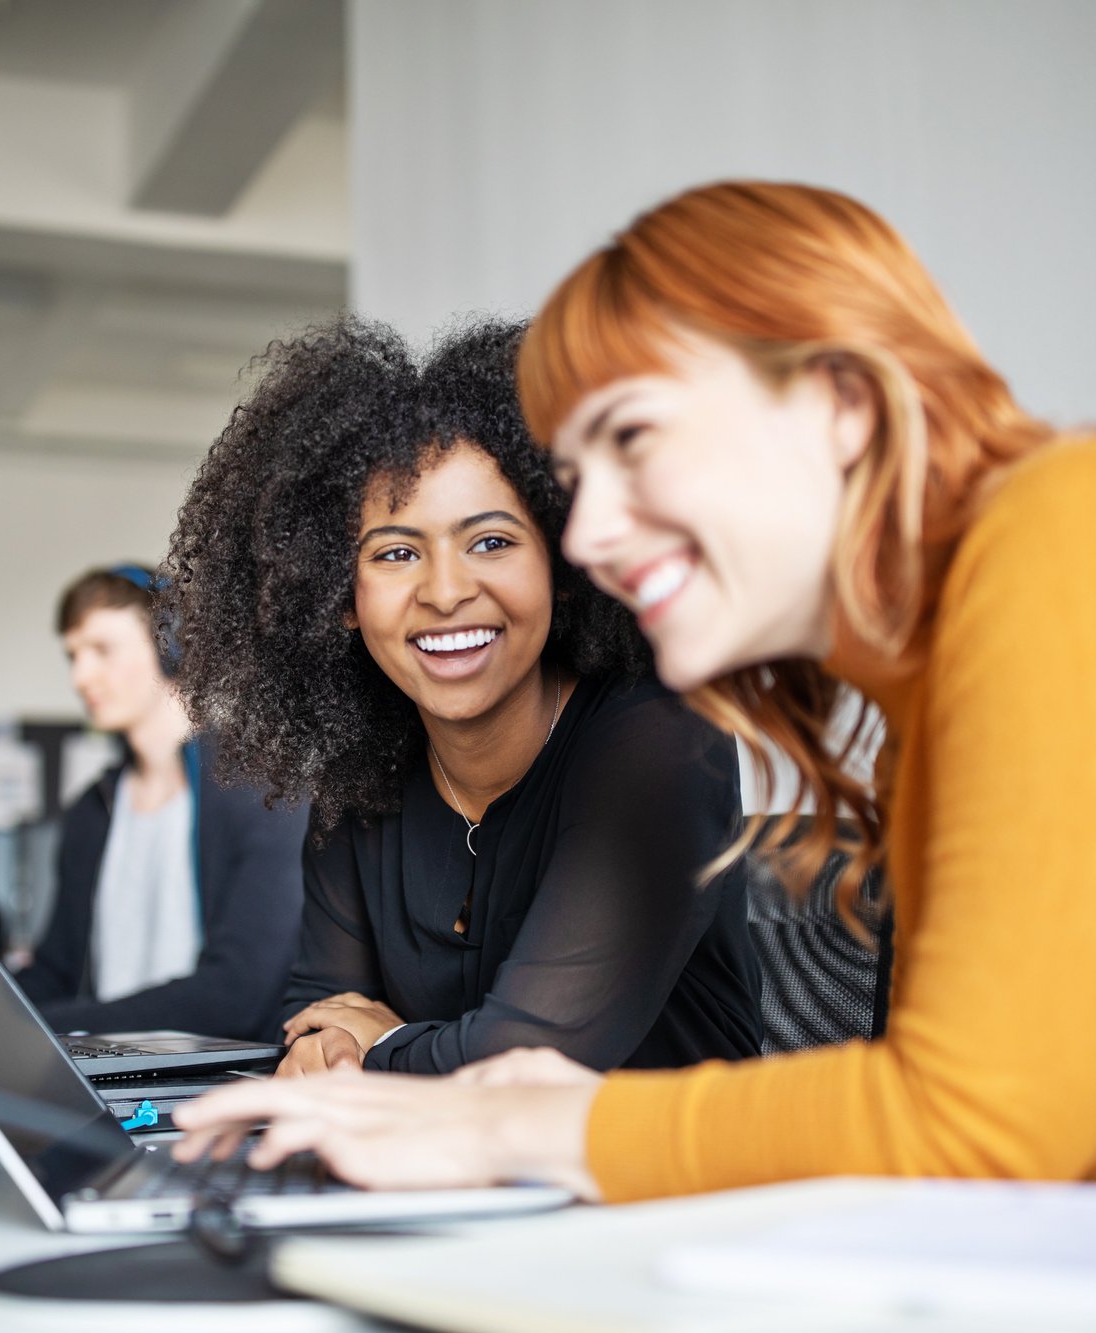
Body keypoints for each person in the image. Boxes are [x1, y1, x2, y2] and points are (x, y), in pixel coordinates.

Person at [173, 182, 1096, 1227]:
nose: (597, 533)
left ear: (840, 404)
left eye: (632, 441)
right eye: (577, 476)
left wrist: (503, 1116)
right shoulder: (945, 664)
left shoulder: (1075, 529)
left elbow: (967, 1127)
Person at [164, 317, 808, 1077]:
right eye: (397, 553)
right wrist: (341, 1046)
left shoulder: (660, 743)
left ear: (564, 566)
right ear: (340, 596)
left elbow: (530, 1058)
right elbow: (314, 1019)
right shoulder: (359, 779)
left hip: (663, 1187)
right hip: (448, 1181)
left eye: (491, 542)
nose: (445, 592)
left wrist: (375, 1046)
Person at [14, 565, 309, 1042]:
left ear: (171, 645)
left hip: (216, 1086)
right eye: (72, 655)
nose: (80, 675)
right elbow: (54, 973)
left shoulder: (263, 795)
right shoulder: (93, 810)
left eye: (102, 650)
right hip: (102, 1080)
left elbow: (236, 996)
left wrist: (40, 1027)